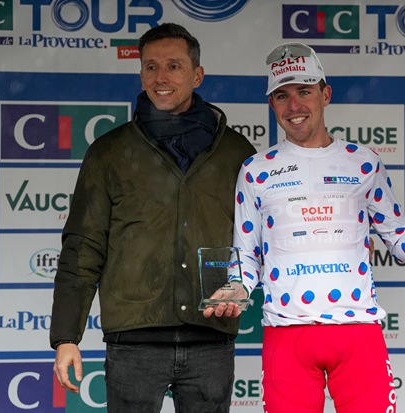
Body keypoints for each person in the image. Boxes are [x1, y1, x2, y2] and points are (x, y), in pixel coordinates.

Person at [206, 42, 405, 412]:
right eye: (282, 96)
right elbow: (247, 255)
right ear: (272, 104)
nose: (294, 106)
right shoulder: (256, 170)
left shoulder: (363, 163)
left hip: (358, 334)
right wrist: (237, 286)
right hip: (287, 336)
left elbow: (399, 240)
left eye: (304, 91)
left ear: (326, 95)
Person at [49, 23, 256, 413]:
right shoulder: (109, 152)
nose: (161, 77)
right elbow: (82, 247)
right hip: (133, 343)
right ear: (141, 74)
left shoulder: (237, 153)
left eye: (174, 66)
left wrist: (241, 286)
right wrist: (66, 337)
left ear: (197, 75)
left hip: (210, 338)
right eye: (151, 67)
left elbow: (257, 241)